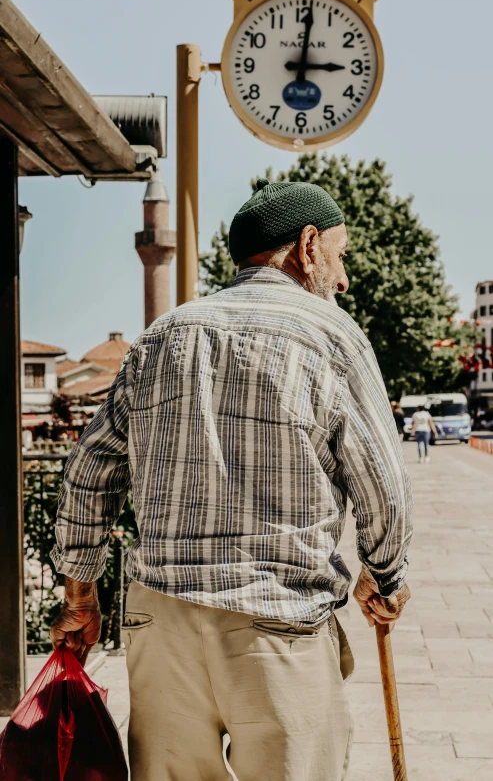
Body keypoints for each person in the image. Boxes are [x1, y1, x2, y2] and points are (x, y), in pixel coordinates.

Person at [50, 179, 413, 781]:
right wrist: (386, 572)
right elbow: (384, 484)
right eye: (341, 256)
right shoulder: (331, 334)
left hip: (160, 625)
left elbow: (90, 472)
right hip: (275, 623)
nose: (343, 279)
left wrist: (81, 595)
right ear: (308, 244)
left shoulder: (162, 336)